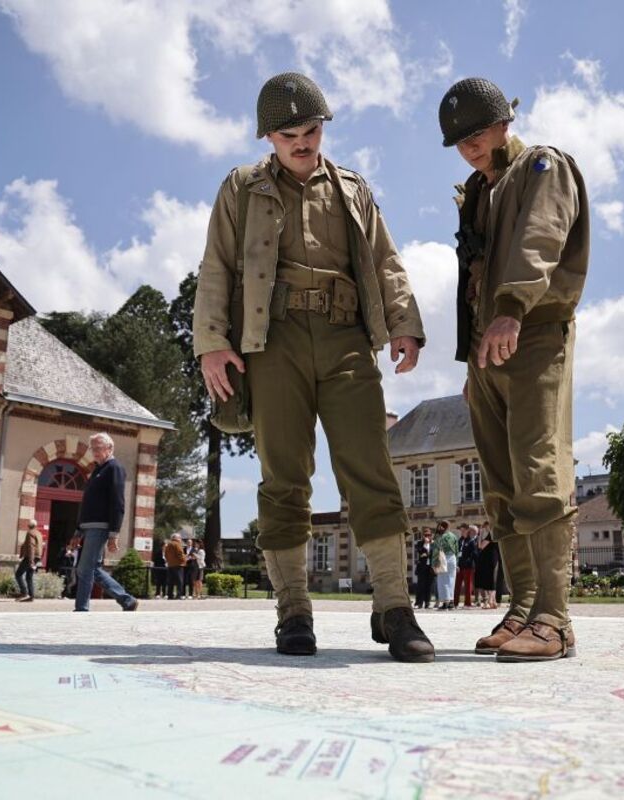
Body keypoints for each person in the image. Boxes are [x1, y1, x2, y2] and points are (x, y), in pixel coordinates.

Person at [194, 72, 433, 663]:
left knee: (370, 468)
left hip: (346, 335)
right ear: (267, 137)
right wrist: (212, 342)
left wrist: (403, 321)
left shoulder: (353, 188)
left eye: (311, 130)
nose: (302, 142)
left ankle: (395, 608)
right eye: (288, 134)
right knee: (284, 477)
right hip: (270, 340)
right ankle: (293, 610)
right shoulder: (241, 188)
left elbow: (385, 259)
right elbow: (217, 266)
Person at [439, 78, 589, 662]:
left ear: (504, 122)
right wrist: (474, 354)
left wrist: (509, 312)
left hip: (531, 336)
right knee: (501, 488)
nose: (469, 147)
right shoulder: (480, 189)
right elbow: (473, 275)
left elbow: (540, 240)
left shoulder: (541, 167)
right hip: (488, 352)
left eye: (477, 134)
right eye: (459, 140)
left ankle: (555, 619)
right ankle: (524, 608)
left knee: (540, 477)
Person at [69, 432, 139, 613]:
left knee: (84, 569)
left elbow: (118, 503)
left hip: (100, 526)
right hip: (87, 526)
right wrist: (78, 530)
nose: (94, 452)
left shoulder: (114, 468)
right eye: (93, 448)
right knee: (92, 568)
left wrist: (114, 534)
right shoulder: (97, 470)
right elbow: (86, 503)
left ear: (110, 448)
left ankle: (82, 609)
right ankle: (127, 600)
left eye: (98, 448)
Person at [15, 520, 43, 602]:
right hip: (37, 556)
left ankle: (24, 592)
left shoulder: (30, 533)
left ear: (29, 526)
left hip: (31, 557)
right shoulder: (39, 533)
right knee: (29, 576)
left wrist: (31, 560)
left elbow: (31, 546)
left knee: (18, 574)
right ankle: (31, 596)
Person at [434, 523, 460, 611]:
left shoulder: (440, 537)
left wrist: (434, 563)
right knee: (451, 580)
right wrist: (457, 563)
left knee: (443, 580)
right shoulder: (454, 536)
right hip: (453, 559)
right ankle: (451, 603)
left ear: (442, 527)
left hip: (443, 557)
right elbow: (457, 550)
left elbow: (436, 550)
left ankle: (445, 603)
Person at [455, 525, 478, 608]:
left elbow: (474, 554)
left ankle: (467, 603)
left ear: (467, 531)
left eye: (463, 530)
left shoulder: (471, 541)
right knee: (457, 585)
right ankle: (455, 602)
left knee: (468, 585)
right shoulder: (460, 540)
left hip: (468, 566)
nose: (462, 532)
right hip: (459, 566)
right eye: (461, 530)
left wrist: (470, 561)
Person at [475, 532, 500, 609]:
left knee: (490, 581)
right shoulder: (496, 534)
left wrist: (479, 537)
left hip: (489, 559)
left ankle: (490, 601)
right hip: (494, 558)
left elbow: (481, 546)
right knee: (493, 580)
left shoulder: (490, 535)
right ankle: (493, 601)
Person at [413, 528, 434, 609]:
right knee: (421, 585)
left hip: (430, 567)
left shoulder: (433, 544)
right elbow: (420, 552)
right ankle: (419, 602)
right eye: (426, 535)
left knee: (429, 585)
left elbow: (433, 554)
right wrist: (425, 544)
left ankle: (427, 602)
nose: (427, 537)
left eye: (429, 535)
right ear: (423, 536)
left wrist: (427, 553)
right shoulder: (420, 543)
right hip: (422, 567)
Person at [163, 533, 186, 600]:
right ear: (177, 538)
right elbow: (180, 554)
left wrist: (169, 561)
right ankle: (178, 595)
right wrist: (184, 560)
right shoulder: (177, 544)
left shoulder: (168, 545)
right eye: (180, 538)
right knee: (179, 581)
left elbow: (166, 555)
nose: (181, 539)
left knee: (171, 581)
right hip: (178, 565)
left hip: (170, 565)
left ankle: (170, 595)